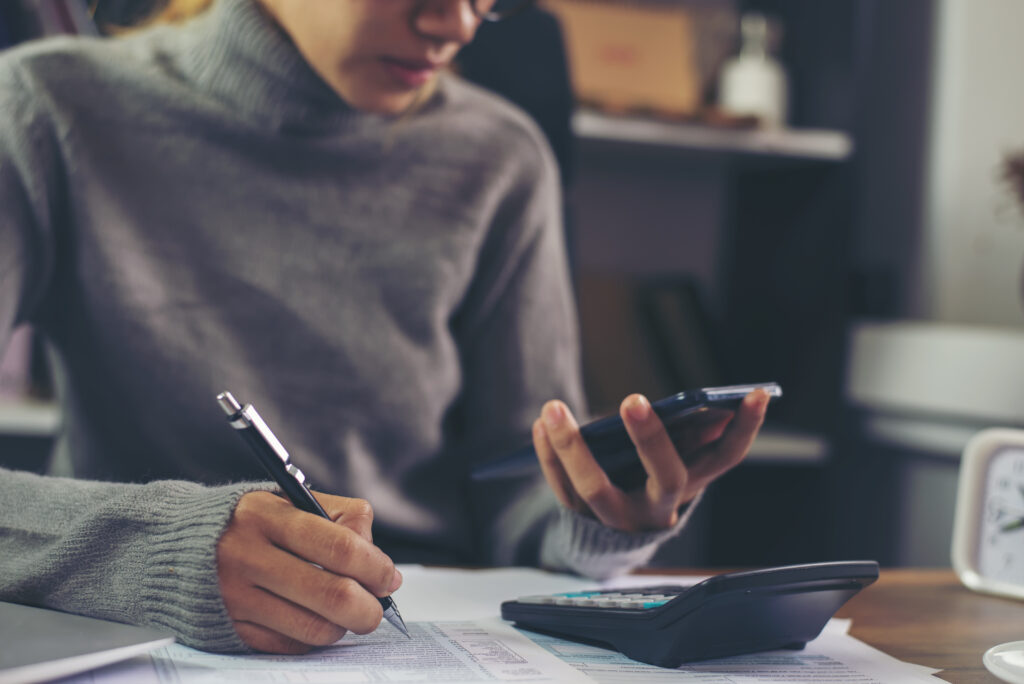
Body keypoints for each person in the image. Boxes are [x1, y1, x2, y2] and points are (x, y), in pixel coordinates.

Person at [0, 0, 770, 656]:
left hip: (426, 631)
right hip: (146, 643)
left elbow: (516, 487)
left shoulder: (500, 159)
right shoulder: (47, 110)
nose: (457, 25)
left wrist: (600, 513)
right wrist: (157, 553)